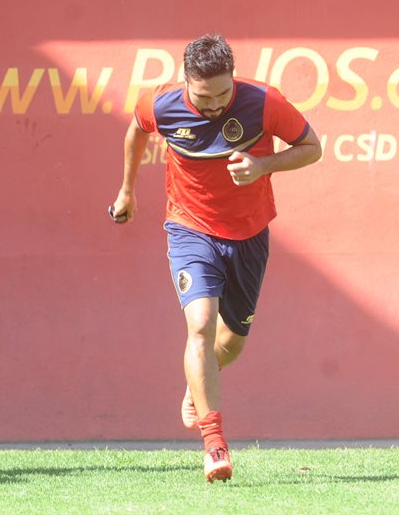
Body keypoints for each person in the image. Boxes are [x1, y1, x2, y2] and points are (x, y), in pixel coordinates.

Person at [108, 34, 321, 483]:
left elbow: (312, 148)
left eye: (223, 94)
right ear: (187, 82)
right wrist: (127, 190)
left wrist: (264, 166)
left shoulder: (264, 102)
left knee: (232, 342)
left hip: (249, 233)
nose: (215, 106)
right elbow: (136, 130)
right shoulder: (161, 104)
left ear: (233, 80)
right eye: (204, 97)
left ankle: (198, 381)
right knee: (200, 325)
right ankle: (214, 445)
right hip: (190, 228)